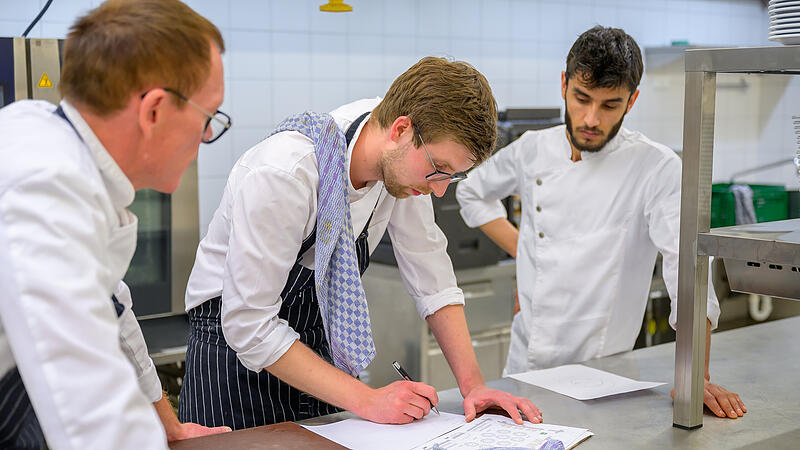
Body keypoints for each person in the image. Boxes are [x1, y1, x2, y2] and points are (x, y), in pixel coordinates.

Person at [179, 56, 542, 430]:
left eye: (452, 176)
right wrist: (368, 400)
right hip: (232, 363)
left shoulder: (394, 154)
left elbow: (432, 274)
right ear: (401, 130)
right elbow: (249, 325)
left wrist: (474, 387)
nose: (438, 190)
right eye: (439, 170)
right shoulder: (286, 173)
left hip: (312, 357)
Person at [456, 26, 746, 420]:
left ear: (632, 101)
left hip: (603, 379)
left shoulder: (656, 167)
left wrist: (697, 373)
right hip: (522, 372)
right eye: (582, 98)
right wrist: (528, 255)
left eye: (610, 105)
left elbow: (687, 267)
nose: (591, 118)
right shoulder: (532, 149)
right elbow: (470, 192)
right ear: (564, 84)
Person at [0, 0, 233, 447]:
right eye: (208, 117)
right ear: (155, 111)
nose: (207, 137)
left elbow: (113, 305)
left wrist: (168, 426)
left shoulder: (61, 147)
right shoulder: (45, 186)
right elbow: (87, 407)